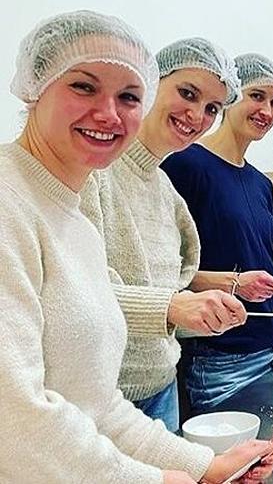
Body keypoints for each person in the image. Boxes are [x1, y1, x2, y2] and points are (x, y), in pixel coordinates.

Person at [0, 10, 273, 484]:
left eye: (127, 95)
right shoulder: (15, 200)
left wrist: (204, 466)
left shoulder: (72, 215)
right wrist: (159, 479)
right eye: (84, 87)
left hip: (138, 404)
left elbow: (96, 403)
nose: (108, 113)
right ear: (34, 85)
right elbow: (16, 419)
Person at [79, 37, 246, 432]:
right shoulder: (93, 173)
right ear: (151, 83)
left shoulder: (167, 192)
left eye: (211, 108)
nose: (197, 115)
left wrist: (207, 312)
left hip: (162, 387)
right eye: (187, 93)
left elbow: (170, 289)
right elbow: (77, 294)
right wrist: (174, 307)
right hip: (104, 397)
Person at [161, 53, 273, 413]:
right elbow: (166, 277)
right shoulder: (185, 165)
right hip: (222, 360)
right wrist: (233, 284)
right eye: (257, 96)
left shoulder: (260, 183)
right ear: (229, 97)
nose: (268, 111)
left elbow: (262, 270)